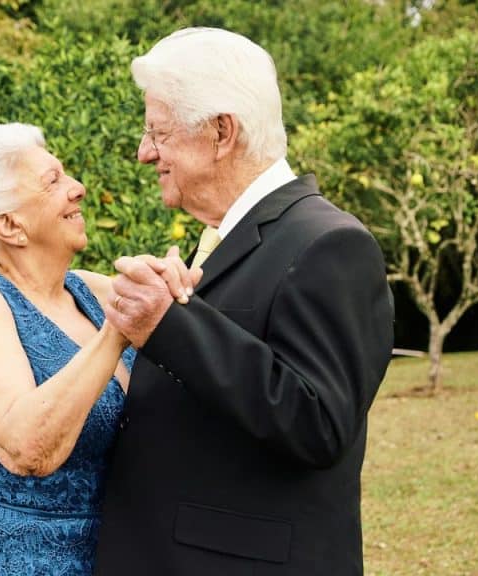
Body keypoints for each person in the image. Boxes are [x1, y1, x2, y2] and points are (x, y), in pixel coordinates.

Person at [94, 28, 395, 575]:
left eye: (157, 132)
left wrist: (168, 324)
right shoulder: (225, 236)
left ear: (221, 132)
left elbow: (319, 422)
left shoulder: (329, 243)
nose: (144, 154)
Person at [0, 123, 198, 575]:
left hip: (113, 557)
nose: (78, 189)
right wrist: (116, 332)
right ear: (9, 225)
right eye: (53, 181)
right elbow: (27, 449)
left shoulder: (85, 290)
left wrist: (168, 282)